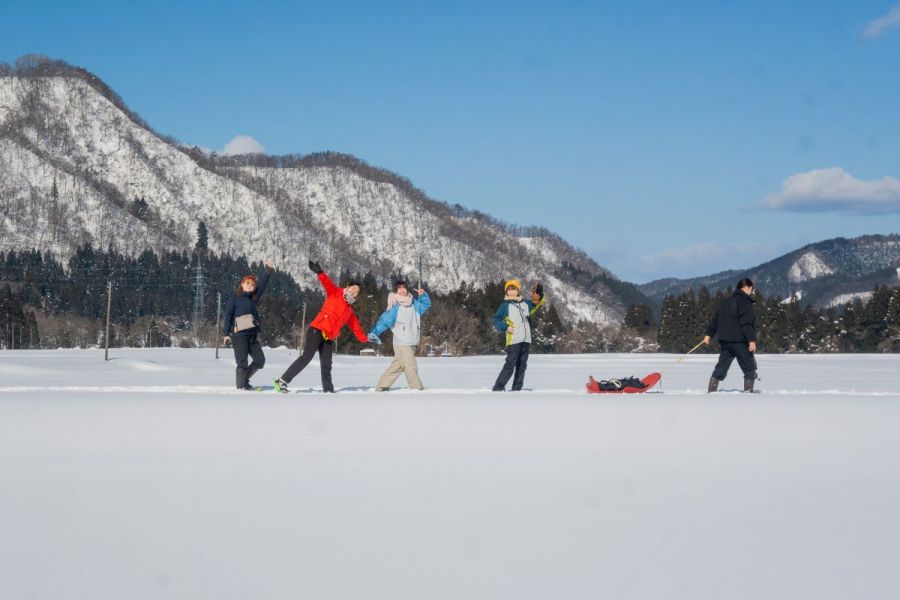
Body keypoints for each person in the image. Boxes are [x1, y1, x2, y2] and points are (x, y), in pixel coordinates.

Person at [273, 260, 369, 393]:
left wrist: (367, 339)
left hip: (328, 337)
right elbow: (327, 283)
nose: (354, 292)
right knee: (306, 357)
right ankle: (282, 381)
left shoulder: (350, 312)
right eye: (353, 288)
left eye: (356, 292)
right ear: (348, 286)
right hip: (317, 330)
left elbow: (356, 329)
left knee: (326, 364)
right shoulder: (336, 293)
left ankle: (328, 390)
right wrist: (319, 272)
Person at [367, 279, 431, 391]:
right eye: (399, 288)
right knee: (411, 366)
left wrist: (422, 295)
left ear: (407, 289)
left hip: (412, 341)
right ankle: (417, 390)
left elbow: (426, 304)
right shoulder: (394, 306)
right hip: (401, 342)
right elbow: (384, 322)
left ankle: (381, 387)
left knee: (398, 367)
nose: (402, 290)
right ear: (396, 291)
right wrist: (374, 332)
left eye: (404, 288)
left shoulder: (414, 304)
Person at [222, 260, 274, 390]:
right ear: (242, 284)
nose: (250, 286)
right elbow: (228, 316)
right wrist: (225, 333)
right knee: (242, 363)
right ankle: (241, 388)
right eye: (247, 284)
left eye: (252, 285)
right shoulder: (234, 298)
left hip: (252, 336)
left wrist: (268, 271)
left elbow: (262, 285)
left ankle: (244, 381)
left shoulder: (253, 297)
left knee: (260, 360)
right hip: (239, 336)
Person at [703, 277, 759, 393]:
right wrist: (752, 340)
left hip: (725, 341)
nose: (752, 292)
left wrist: (708, 334)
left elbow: (715, 320)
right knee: (749, 368)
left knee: (721, 367)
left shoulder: (725, 302)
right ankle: (748, 395)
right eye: (751, 289)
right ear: (746, 287)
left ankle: (711, 393)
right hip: (740, 341)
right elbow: (746, 323)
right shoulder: (745, 302)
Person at [491, 279, 545, 391]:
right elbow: (495, 319)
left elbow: (537, 303)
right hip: (514, 339)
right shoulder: (505, 306)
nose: (511, 291)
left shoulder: (525, 304)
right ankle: (498, 387)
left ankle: (517, 389)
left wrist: (539, 296)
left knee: (522, 366)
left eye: (513, 289)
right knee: (510, 365)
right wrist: (505, 327)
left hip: (526, 340)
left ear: (518, 291)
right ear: (506, 292)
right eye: (509, 290)